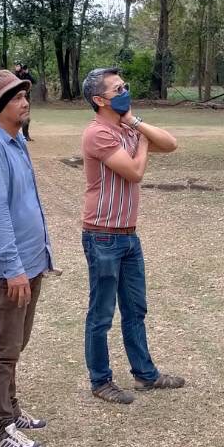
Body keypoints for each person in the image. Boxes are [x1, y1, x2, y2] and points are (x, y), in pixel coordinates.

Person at [78, 67, 185, 404]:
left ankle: (145, 374)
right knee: (101, 313)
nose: (125, 92)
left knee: (135, 309)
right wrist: (142, 141)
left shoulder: (125, 128)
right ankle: (100, 381)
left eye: (125, 86)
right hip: (103, 236)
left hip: (128, 235)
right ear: (99, 100)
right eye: (118, 89)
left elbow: (170, 144)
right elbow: (135, 172)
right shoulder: (98, 134)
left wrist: (135, 124)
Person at [0, 69, 54, 447]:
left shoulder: (16, 142)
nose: (25, 102)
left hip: (29, 263)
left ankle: (12, 410)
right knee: (3, 350)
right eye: (17, 97)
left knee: (16, 345)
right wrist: (12, 268)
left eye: (24, 96)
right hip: (10, 270)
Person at [12, 63, 35, 141]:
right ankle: (13, 135)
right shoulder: (14, 75)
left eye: (18, 66)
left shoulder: (25, 75)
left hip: (26, 98)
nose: (17, 67)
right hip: (16, 99)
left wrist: (27, 73)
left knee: (26, 117)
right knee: (15, 117)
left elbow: (33, 81)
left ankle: (26, 136)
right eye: (16, 66)